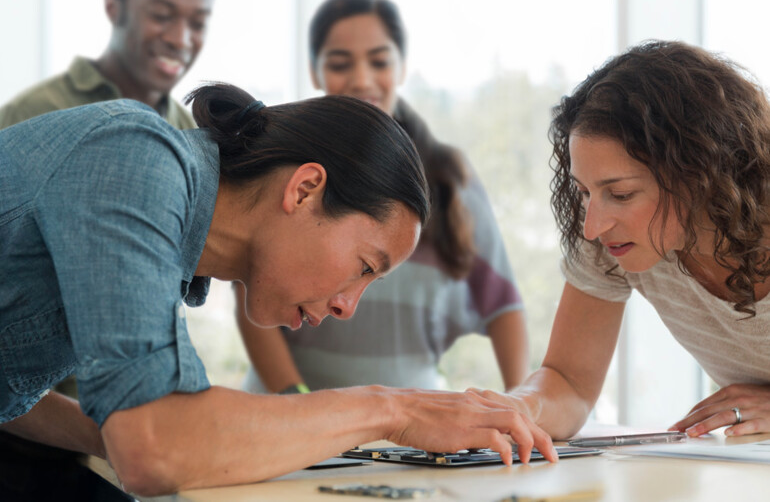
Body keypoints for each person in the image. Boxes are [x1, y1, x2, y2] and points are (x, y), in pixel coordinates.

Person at [0, 83, 556, 495]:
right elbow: (155, 447)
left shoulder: (163, 230)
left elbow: (9, 390)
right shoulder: (134, 158)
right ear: (306, 188)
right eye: (365, 266)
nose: (346, 306)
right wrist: (393, 410)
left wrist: (114, 432)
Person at [237, 0, 529, 396]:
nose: (361, 77)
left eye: (379, 61)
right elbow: (251, 285)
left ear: (402, 66)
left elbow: (501, 304)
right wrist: (296, 400)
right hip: (290, 416)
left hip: (409, 423)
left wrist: (523, 405)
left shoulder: (447, 177)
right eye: (340, 63)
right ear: (315, 71)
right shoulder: (289, 167)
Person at [483, 40, 770, 443]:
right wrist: (514, 409)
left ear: (701, 175)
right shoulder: (614, 240)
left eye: (621, 195)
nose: (592, 227)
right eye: (584, 192)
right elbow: (568, 382)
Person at [0, 0, 217, 130]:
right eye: (161, 15)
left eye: (197, 24)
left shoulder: (189, 131)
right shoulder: (30, 114)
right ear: (113, 7)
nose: (180, 40)